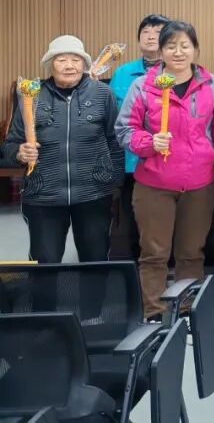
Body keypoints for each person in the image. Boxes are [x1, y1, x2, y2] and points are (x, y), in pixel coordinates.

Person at [115, 20, 214, 320]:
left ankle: (186, 312)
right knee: (154, 253)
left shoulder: (212, 85)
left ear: (195, 49)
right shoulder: (143, 86)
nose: (178, 52)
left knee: (191, 253)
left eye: (184, 46)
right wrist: (149, 142)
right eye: (171, 46)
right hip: (154, 184)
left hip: (200, 184)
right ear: (161, 50)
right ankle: (153, 313)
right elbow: (124, 130)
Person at [1, 35, 123, 263]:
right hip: (43, 196)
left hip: (93, 194)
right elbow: (9, 145)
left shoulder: (102, 93)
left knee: (95, 259)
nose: (69, 66)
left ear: (84, 64)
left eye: (76, 60)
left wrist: (114, 183)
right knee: (45, 261)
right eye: (61, 60)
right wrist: (19, 153)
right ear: (50, 64)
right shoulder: (31, 96)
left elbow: (115, 142)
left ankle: (92, 290)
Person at [110, 13, 170, 260]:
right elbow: (114, 117)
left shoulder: (178, 71)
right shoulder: (122, 73)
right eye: (146, 32)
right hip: (130, 161)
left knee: (167, 219)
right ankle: (139, 270)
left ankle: (168, 269)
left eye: (158, 32)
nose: (151, 36)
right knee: (135, 219)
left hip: (166, 161)